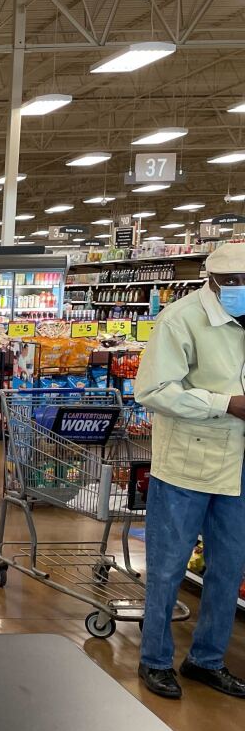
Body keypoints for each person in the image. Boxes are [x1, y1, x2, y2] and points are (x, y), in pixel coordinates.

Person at [134, 241, 245, 700]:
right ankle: (155, 659)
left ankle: (206, 659)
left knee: (229, 567)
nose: (240, 291)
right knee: (166, 568)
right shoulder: (180, 318)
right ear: (212, 281)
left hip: (237, 468)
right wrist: (226, 404)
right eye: (233, 283)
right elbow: (154, 389)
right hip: (185, 466)